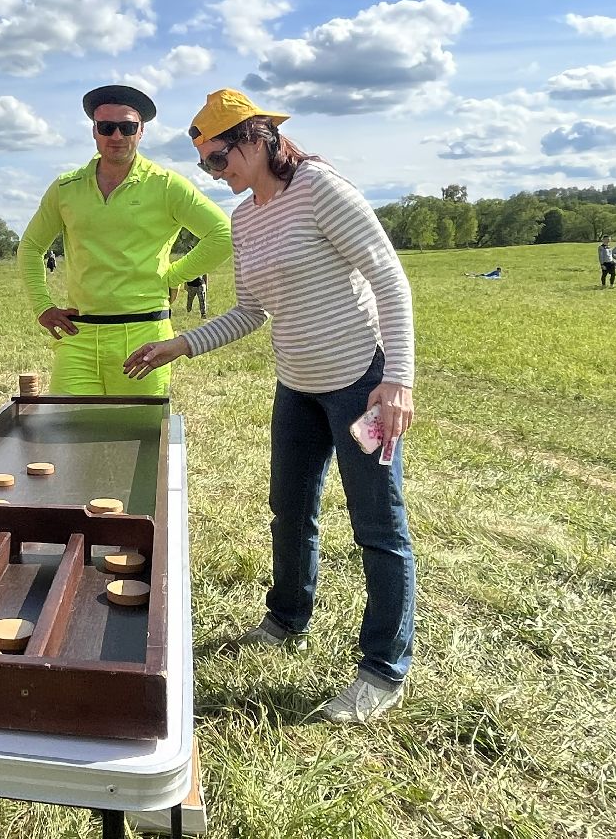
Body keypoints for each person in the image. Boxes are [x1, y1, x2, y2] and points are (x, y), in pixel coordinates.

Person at [126, 88, 416, 724]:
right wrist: (180, 343)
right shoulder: (243, 218)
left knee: (377, 524)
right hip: (298, 387)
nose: (213, 173)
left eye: (218, 158)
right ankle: (286, 618)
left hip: (360, 385)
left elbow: (389, 278)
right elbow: (252, 311)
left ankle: (383, 668)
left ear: (257, 139)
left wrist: (398, 380)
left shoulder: (319, 188)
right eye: (204, 164)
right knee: (289, 509)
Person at [17, 84, 231, 396]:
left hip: (145, 334)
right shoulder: (66, 188)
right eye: (106, 127)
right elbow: (31, 247)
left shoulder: (166, 185)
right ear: (94, 131)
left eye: (127, 127)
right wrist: (42, 306)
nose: (116, 136)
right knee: (67, 425)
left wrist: (173, 276)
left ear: (141, 131)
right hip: (79, 336)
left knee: (139, 428)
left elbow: (223, 234)